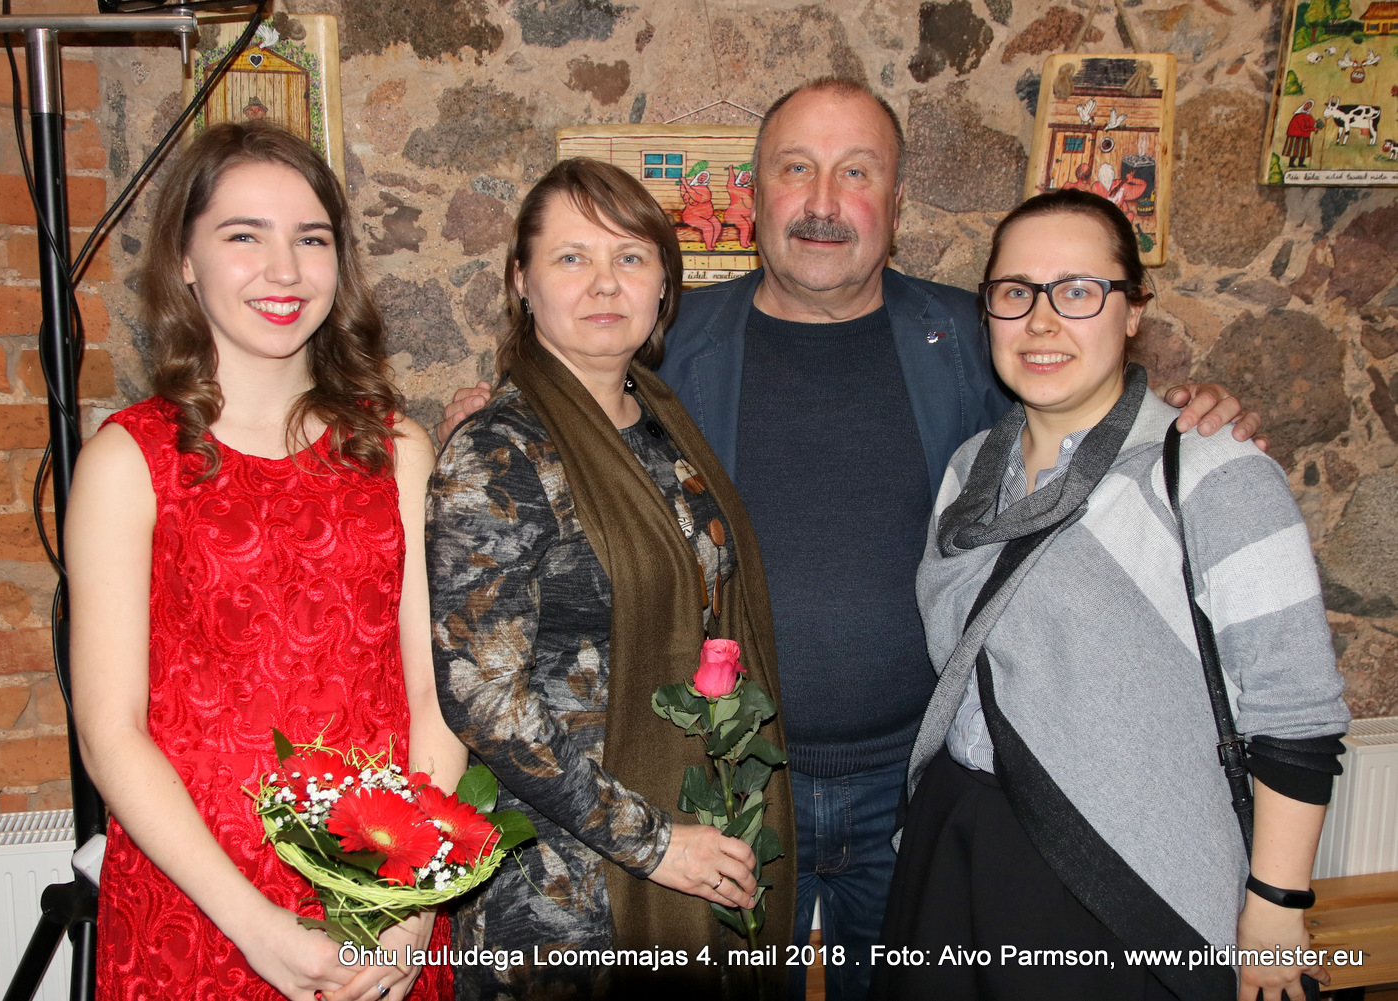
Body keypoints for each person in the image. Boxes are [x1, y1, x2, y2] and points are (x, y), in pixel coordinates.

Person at [437, 78, 1261, 1001]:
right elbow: (562, 422)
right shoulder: (670, 343)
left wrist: (1186, 413)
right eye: (797, 169)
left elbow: (1086, 409)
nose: (823, 202)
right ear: (754, 195)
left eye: (856, 172)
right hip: (730, 785)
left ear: (896, 204)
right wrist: (496, 411)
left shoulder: (975, 336)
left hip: (915, 788)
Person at [872, 188, 1348, 1001]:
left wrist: (1275, 906)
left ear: (1133, 311)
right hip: (958, 841)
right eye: (1016, 292)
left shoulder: (1215, 472)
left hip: (1119, 866)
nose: (1042, 320)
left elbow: (1296, 711)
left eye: (1079, 291)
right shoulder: (969, 472)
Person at [67, 121, 467, 1001]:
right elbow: (110, 730)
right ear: (185, 258)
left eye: (310, 239)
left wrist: (407, 900)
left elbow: (435, 697)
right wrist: (253, 924)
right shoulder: (127, 462)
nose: (284, 270)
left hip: (381, 893)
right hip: (199, 900)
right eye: (244, 235)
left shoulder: (398, 451)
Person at [427, 157, 795, 1000]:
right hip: (563, 892)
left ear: (664, 283)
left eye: (630, 257)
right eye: (572, 257)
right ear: (522, 281)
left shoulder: (662, 424)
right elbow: (482, 697)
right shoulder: (498, 452)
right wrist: (656, 842)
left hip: (686, 838)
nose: (604, 283)